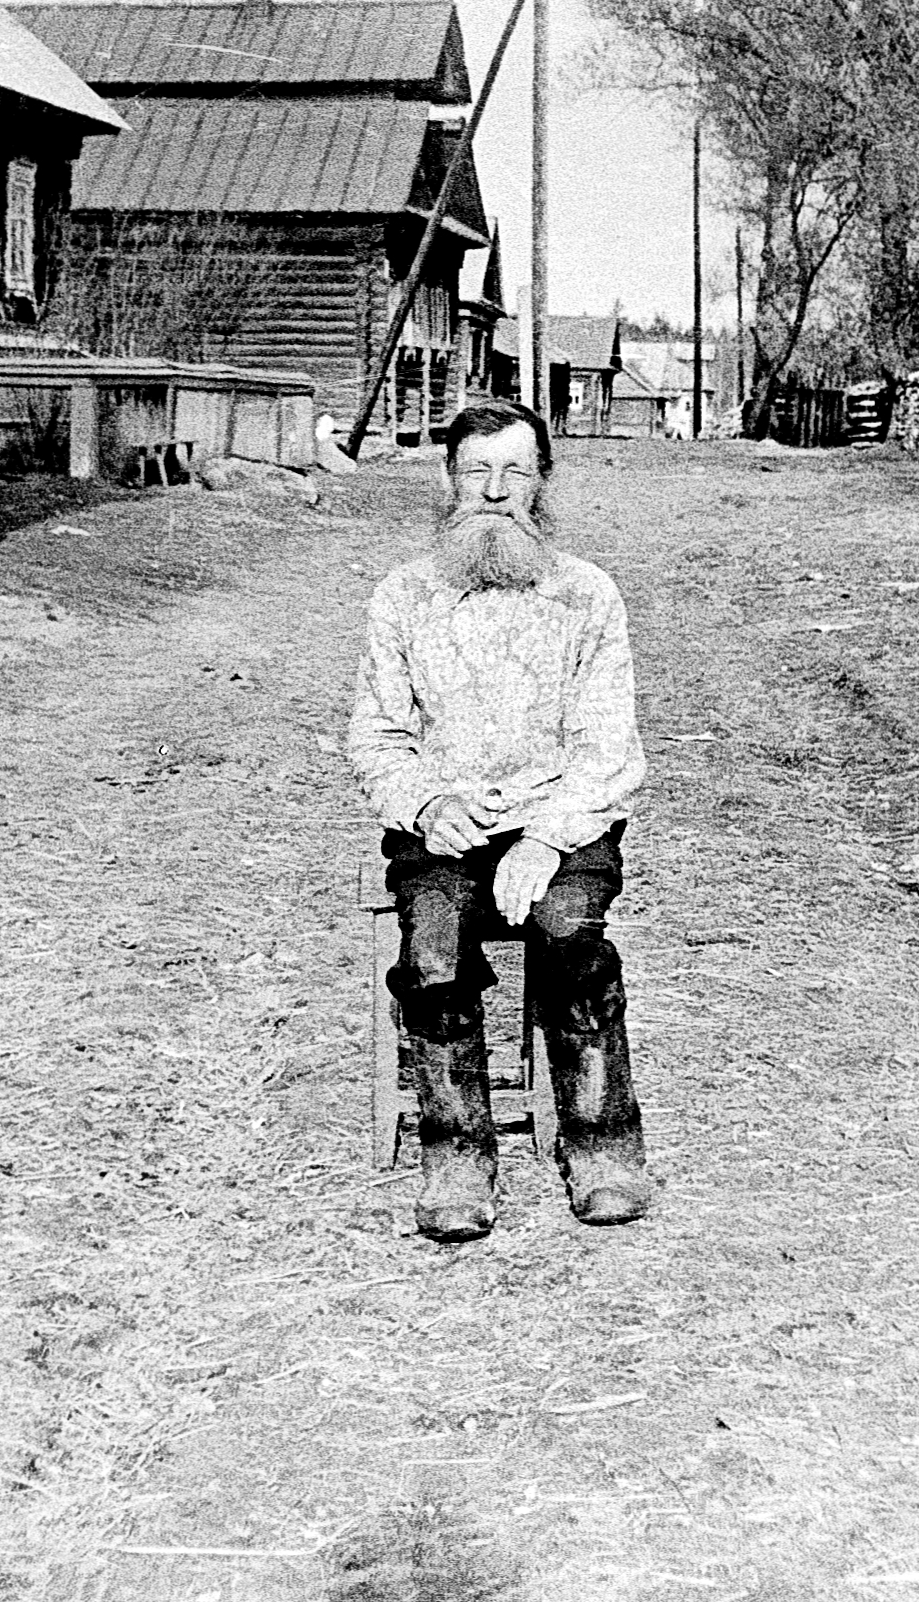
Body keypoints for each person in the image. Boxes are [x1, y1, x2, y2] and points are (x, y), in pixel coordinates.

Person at [346, 400, 652, 1242]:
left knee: (568, 934)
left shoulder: (585, 594)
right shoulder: (404, 596)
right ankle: (455, 1156)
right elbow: (376, 735)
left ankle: (601, 1147)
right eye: (476, 471)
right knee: (432, 953)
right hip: (443, 826)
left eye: (514, 471)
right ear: (449, 480)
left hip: (562, 820)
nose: (493, 490)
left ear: (541, 482)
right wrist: (426, 803)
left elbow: (607, 744)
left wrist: (547, 837)